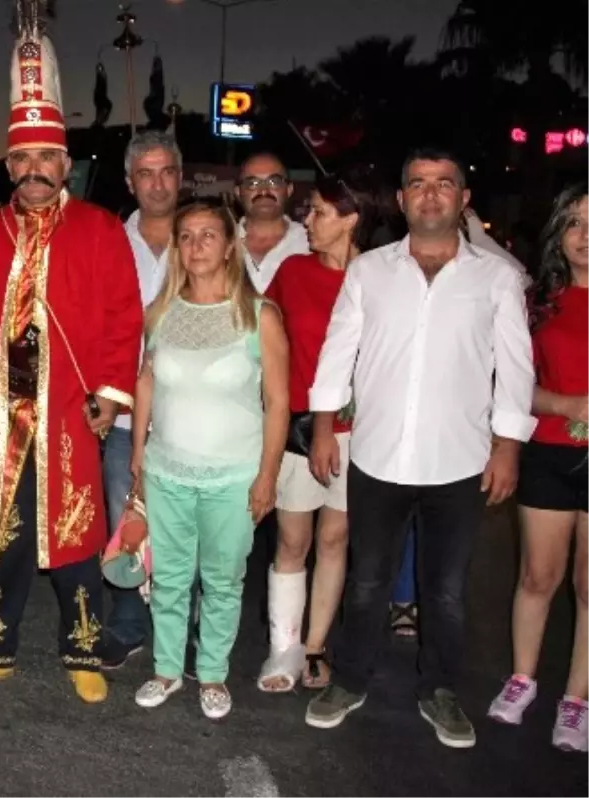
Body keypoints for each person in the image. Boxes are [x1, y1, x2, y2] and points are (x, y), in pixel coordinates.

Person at [0, 15, 143, 704]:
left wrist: (109, 393)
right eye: (22, 161)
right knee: (2, 537)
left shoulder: (102, 230)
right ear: (10, 165)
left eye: (46, 158)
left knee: (76, 539)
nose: (34, 171)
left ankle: (81, 650)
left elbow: (122, 319)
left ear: (65, 159)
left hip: (68, 417)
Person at [305, 148, 536, 749]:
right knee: (366, 581)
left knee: (447, 591)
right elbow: (338, 352)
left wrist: (508, 447)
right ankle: (348, 679)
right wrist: (326, 427)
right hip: (377, 456)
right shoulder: (369, 272)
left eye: (444, 184)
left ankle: (440, 690)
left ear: (463, 199)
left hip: (458, 461)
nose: (430, 195)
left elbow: (515, 370)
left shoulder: (498, 279)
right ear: (402, 199)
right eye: (417, 184)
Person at [130, 200, 289, 717]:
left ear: (228, 246)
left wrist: (268, 476)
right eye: (187, 236)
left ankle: (214, 673)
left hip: (234, 475)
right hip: (167, 469)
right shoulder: (161, 311)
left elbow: (279, 402)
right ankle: (167, 669)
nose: (196, 245)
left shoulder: (258, 315)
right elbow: (146, 381)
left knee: (223, 579)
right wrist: (137, 457)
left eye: (208, 235)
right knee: (170, 578)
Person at [258, 174, 374, 692]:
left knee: (335, 537)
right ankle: (281, 647)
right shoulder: (293, 271)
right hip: (300, 426)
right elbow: (263, 339)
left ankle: (313, 647)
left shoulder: (379, 276)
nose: (307, 221)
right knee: (292, 538)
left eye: (320, 212)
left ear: (351, 218)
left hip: (362, 428)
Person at [489, 184, 589, 753]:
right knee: (537, 577)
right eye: (573, 222)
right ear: (558, 234)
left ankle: (576, 702)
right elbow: (514, 385)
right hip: (549, 453)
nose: (585, 235)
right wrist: (569, 406)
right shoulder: (537, 303)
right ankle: (523, 678)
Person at [101, 130, 179, 670]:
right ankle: (126, 626)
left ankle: (181, 633)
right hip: (124, 416)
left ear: (180, 175)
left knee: (185, 533)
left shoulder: (207, 239)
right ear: (130, 182)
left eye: (166, 171)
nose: (156, 183)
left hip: (191, 421)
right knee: (123, 524)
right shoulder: (108, 240)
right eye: (144, 173)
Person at [233, 152, 310, 294]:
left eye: (274, 182)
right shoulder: (222, 240)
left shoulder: (310, 243)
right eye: (252, 183)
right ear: (238, 192)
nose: (263, 190)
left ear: (289, 189)